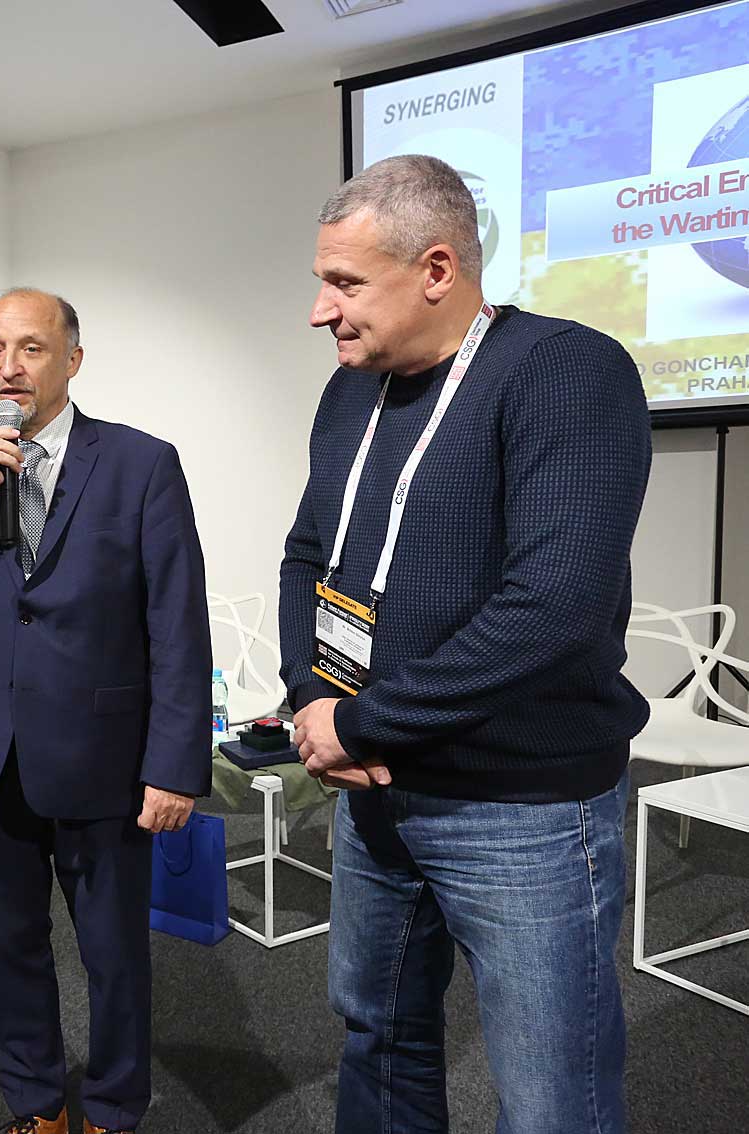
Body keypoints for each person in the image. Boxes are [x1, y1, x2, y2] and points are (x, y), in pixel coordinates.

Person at [280, 154, 651, 1133]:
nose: (320, 311)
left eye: (344, 283)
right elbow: (308, 555)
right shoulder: (350, 391)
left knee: (550, 1094)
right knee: (377, 1037)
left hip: (518, 808)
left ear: (437, 270)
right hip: (373, 788)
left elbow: (553, 607)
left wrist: (359, 722)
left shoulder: (566, 370)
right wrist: (311, 698)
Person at [0, 288, 212, 1134]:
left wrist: (174, 764)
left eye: (30, 347)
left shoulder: (140, 463)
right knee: (9, 948)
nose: (9, 367)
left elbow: (177, 623)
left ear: (72, 358)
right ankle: (35, 1105)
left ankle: (113, 1108)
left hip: (103, 755)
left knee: (113, 953)